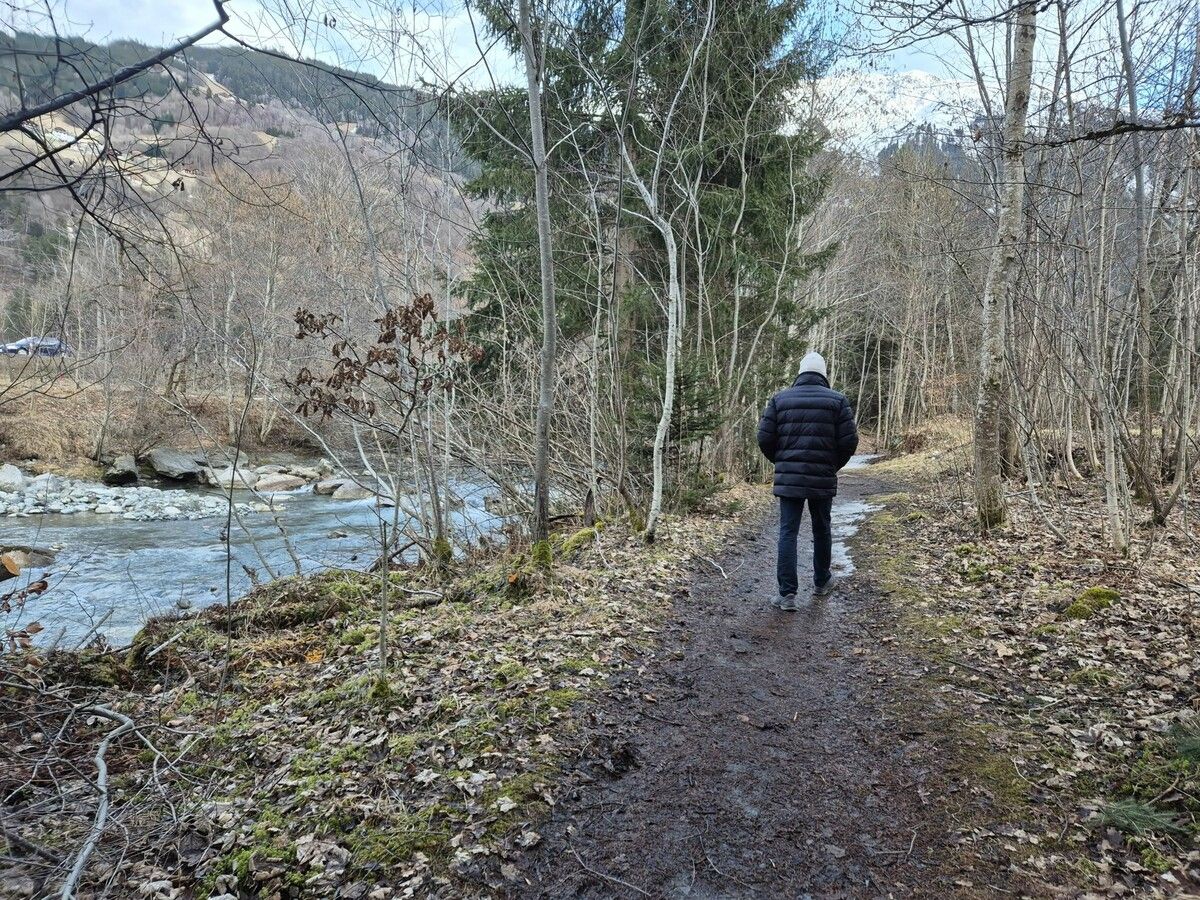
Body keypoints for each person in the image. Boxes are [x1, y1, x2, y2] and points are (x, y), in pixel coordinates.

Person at [756, 351, 859, 610]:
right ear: (823, 374)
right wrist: (832, 465)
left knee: (788, 531)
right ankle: (822, 582)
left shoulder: (780, 399)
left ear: (800, 373)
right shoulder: (837, 401)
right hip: (822, 478)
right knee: (822, 528)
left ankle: (787, 594)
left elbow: (764, 438)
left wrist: (782, 462)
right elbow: (849, 441)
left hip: (789, 478)